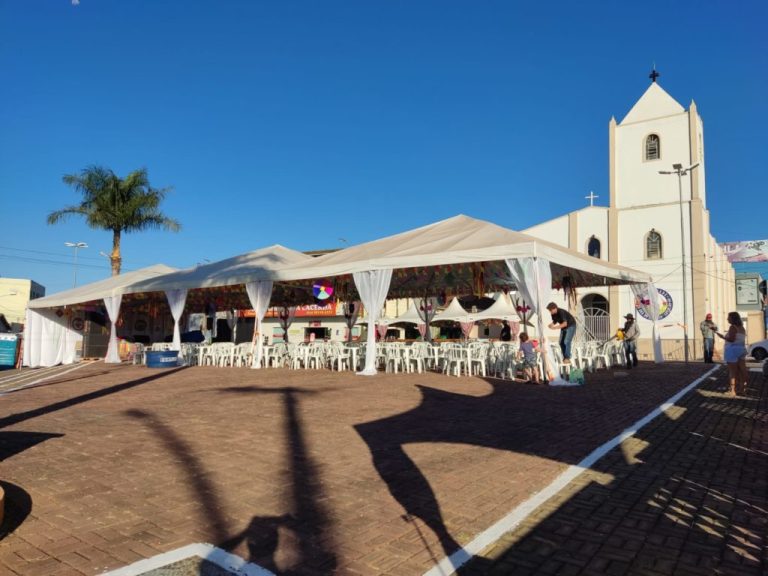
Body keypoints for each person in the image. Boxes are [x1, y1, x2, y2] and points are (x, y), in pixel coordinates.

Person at [716, 312, 748, 396]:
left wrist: (722, 337)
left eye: (728, 317)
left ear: (733, 318)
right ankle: (742, 389)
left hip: (732, 350)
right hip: (741, 349)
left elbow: (731, 339)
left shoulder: (732, 327)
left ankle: (733, 390)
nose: (727, 319)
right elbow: (742, 340)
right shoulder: (742, 328)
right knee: (742, 370)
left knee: (732, 372)